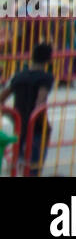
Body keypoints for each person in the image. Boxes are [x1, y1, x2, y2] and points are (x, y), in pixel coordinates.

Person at [0, 43, 56, 175]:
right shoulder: (46, 77)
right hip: (36, 127)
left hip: (19, 126)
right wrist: (46, 127)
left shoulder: (19, 76)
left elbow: (2, 97)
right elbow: (40, 102)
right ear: (49, 59)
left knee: (17, 164)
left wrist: (12, 115)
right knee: (33, 168)